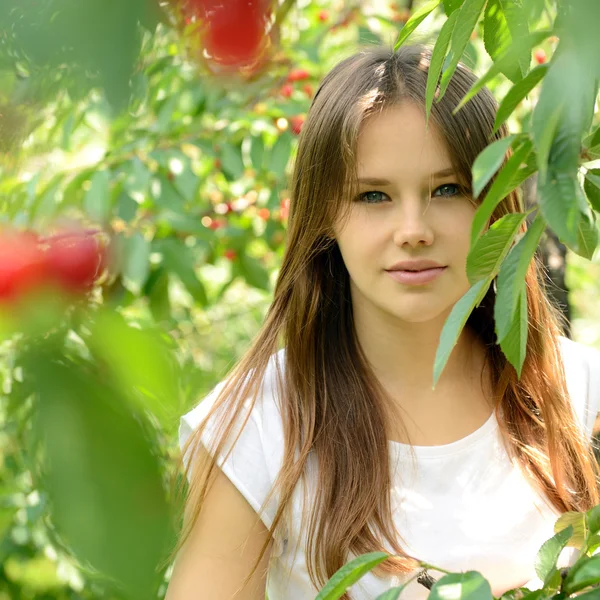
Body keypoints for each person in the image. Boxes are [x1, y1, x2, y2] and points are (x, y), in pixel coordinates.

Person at [165, 43, 600, 600]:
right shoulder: (260, 432)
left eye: (447, 189)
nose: (413, 229)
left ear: (494, 202)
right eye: (374, 195)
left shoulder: (578, 396)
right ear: (325, 218)